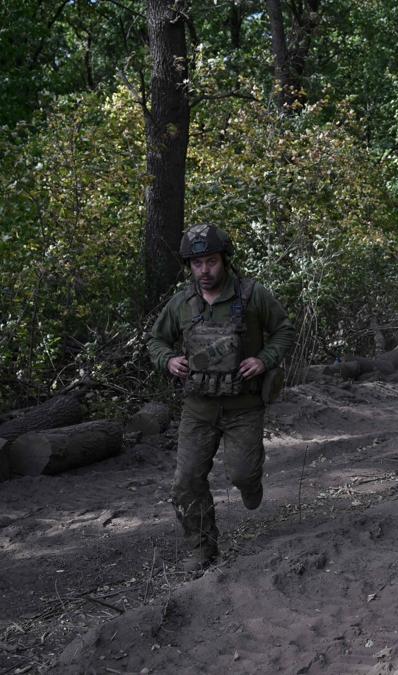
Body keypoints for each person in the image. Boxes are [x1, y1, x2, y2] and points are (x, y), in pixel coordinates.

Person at [147, 224, 297, 572]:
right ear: (189, 266)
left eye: (211, 262)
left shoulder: (252, 295)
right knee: (186, 481)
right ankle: (202, 548)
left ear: (224, 260)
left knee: (242, 474)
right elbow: (156, 341)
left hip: (244, 407)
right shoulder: (181, 303)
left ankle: (250, 483)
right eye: (197, 264)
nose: (204, 271)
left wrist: (264, 359)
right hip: (198, 408)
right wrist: (168, 360)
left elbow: (284, 330)